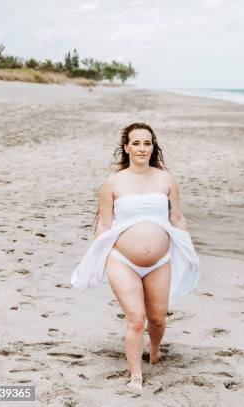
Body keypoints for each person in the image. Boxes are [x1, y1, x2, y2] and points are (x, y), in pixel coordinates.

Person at [71, 122, 200, 392]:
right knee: (136, 319)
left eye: (147, 143)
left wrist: (188, 250)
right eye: (136, 143)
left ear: (153, 147)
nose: (142, 148)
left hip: (159, 262)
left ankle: (154, 350)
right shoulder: (113, 183)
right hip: (122, 260)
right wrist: (98, 255)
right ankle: (135, 375)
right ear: (126, 147)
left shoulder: (166, 179)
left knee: (157, 319)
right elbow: (105, 225)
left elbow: (176, 217)